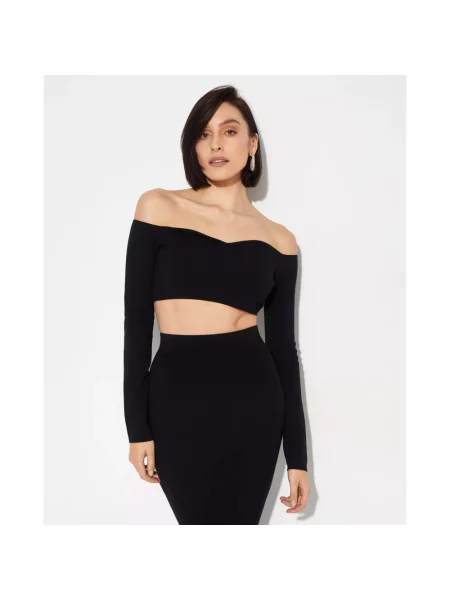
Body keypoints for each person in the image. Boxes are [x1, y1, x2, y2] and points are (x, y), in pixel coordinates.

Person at [123, 84, 310, 524]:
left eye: (229, 131)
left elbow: (284, 352)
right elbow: (136, 322)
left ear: (252, 143)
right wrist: (137, 427)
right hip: (176, 399)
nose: (215, 145)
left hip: (253, 400)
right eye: (203, 134)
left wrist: (298, 457)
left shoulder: (279, 240)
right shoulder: (158, 207)